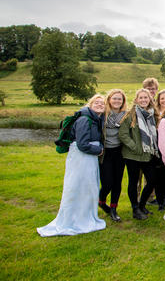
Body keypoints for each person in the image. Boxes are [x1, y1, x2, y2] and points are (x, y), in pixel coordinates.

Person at [37, 94, 106, 236]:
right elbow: (82, 144)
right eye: (97, 103)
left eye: (102, 103)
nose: (100, 105)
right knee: (78, 186)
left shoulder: (95, 119)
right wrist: (99, 150)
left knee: (88, 187)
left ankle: (85, 216)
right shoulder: (84, 119)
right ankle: (73, 220)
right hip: (82, 158)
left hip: (89, 158)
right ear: (90, 104)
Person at [119, 88, 160, 220]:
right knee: (133, 181)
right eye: (141, 98)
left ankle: (142, 205)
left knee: (152, 180)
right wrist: (134, 146)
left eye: (145, 98)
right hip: (132, 155)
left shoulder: (152, 114)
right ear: (136, 99)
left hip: (147, 155)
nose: (143, 100)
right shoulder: (130, 115)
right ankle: (135, 209)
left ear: (150, 99)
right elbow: (123, 134)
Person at [98, 89, 127, 222]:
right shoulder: (102, 115)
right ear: (109, 100)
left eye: (119, 99)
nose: (117, 101)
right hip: (105, 153)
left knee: (117, 182)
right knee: (107, 183)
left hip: (119, 152)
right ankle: (102, 201)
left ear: (123, 101)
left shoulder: (125, 116)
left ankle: (114, 209)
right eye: (114, 98)